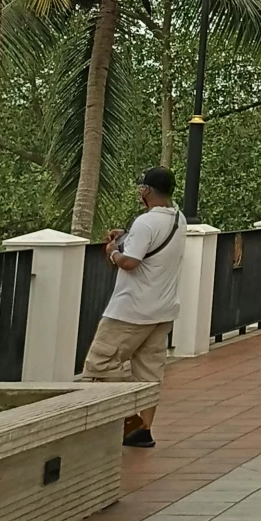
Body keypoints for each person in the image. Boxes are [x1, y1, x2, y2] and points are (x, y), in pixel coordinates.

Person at [82, 167, 186, 447]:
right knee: (149, 371)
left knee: (101, 364)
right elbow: (150, 243)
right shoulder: (179, 218)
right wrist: (126, 235)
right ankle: (144, 430)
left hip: (130, 312)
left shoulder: (145, 223)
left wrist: (113, 252)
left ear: (147, 191)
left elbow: (132, 262)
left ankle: (125, 420)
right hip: (162, 310)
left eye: (142, 188)